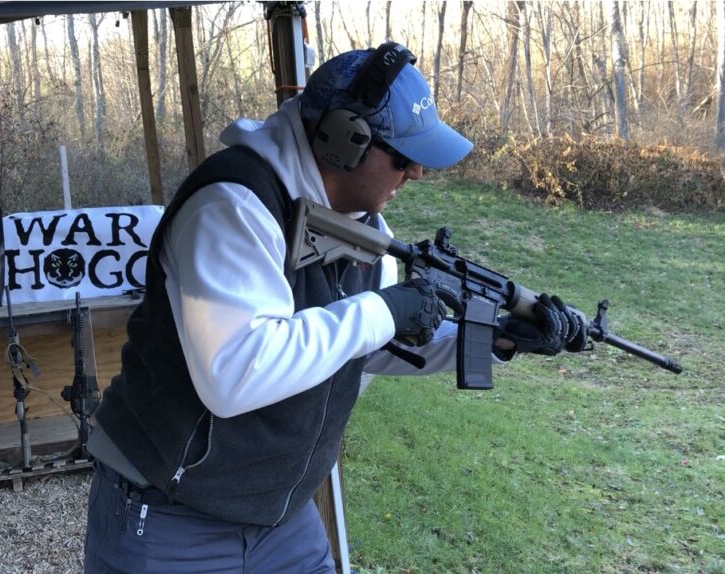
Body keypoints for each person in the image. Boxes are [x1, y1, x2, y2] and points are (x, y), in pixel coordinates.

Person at [84, 42, 586, 573]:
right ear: (344, 139)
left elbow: (368, 347)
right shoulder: (232, 206)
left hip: (282, 518)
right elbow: (235, 374)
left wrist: (496, 339)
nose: (415, 173)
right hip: (168, 518)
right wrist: (385, 310)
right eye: (402, 156)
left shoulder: (362, 225)